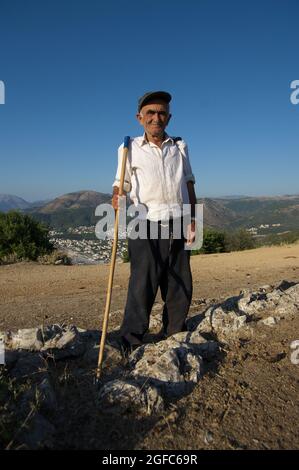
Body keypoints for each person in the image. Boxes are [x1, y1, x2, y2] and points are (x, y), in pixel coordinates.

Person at [112, 91, 197, 357]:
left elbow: (189, 182)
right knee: (143, 281)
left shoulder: (180, 146)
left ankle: (174, 332)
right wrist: (117, 196)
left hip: (179, 220)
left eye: (161, 113)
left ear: (169, 117)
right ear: (140, 118)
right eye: (150, 113)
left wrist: (193, 218)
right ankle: (131, 338)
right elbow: (121, 183)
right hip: (144, 222)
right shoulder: (128, 148)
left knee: (179, 280)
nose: (156, 118)